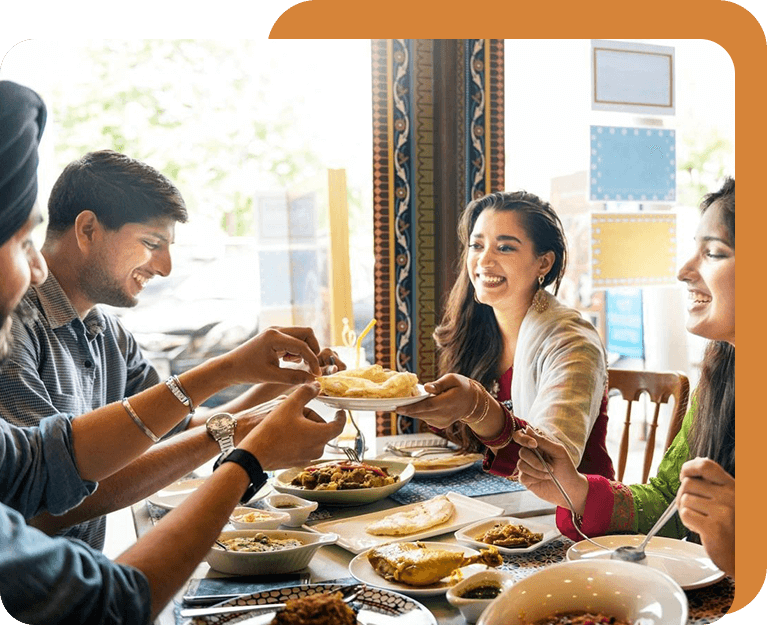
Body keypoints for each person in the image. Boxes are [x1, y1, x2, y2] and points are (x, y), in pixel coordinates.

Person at [1, 79, 346, 623]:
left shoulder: (107, 333)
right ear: (88, 229)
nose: (163, 269)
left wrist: (270, 389)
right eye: (151, 243)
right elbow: (57, 498)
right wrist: (244, 446)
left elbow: (173, 425)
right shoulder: (13, 329)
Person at [513, 178, 735, 580]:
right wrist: (576, 488)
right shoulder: (721, 376)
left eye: (714, 253)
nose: (685, 271)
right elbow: (669, 501)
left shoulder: (567, 336)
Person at [399, 191, 614, 479]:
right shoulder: (477, 327)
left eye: (505, 248)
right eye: (477, 245)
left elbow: (549, 461)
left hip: (568, 512)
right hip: (498, 498)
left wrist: (477, 408)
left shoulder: (571, 341)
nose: (484, 260)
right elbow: (459, 432)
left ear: (544, 263)